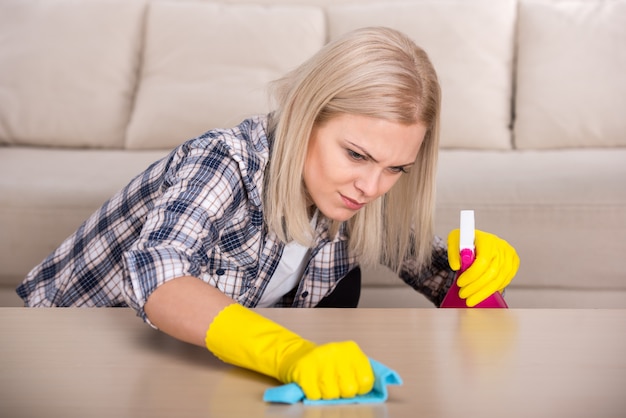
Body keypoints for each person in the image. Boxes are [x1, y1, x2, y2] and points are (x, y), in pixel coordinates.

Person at [16, 27, 519, 400]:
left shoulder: (356, 192)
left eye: (396, 169)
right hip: (72, 358)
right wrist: (287, 353)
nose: (371, 187)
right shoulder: (225, 160)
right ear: (305, 112)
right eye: (357, 155)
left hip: (186, 368)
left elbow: (435, 274)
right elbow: (157, 269)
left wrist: (475, 278)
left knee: (343, 280)